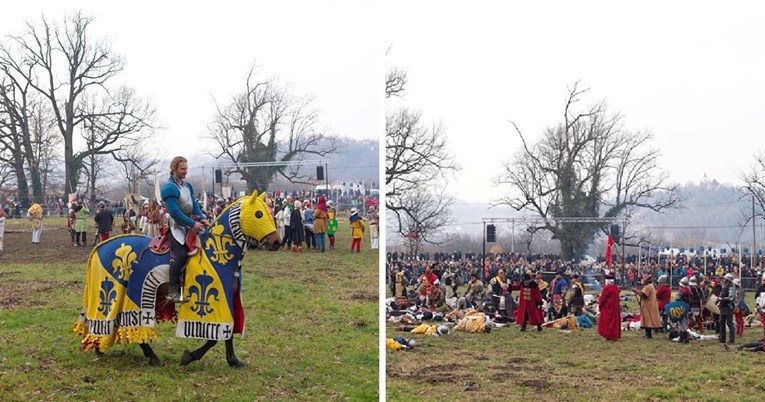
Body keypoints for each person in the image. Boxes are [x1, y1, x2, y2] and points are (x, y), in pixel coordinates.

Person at [161, 156, 209, 303]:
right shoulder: (169, 188)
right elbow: (175, 212)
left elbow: (194, 205)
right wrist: (193, 224)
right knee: (181, 255)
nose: (185, 171)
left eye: (186, 169)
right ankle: (173, 291)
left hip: (188, 225)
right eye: (182, 169)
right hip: (175, 226)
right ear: (174, 169)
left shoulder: (187, 186)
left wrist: (201, 217)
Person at [597, 273, 621, 341]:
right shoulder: (616, 288)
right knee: (614, 322)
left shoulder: (607, 288)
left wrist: (600, 305)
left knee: (606, 321)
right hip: (615, 308)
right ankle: (614, 335)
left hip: (607, 307)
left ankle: (607, 335)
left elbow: (602, 298)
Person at [717, 273, 736, 344]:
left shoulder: (731, 287)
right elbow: (722, 295)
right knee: (721, 322)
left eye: (725, 278)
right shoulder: (724, 286)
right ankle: (722, 338)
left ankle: (731, 340)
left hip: (728, 307)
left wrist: (721, 299)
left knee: (729, 324)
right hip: (723, 306)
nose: (724, 279)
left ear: (728, 280)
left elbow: (731, 298)